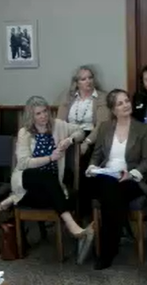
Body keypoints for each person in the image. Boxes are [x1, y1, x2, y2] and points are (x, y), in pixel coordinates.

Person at [0, 96, 94, 262]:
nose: (43, 116)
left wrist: (69, 140)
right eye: (38, 114)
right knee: (47, 177)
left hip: (48, 186)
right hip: (27, 177)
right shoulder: (25, 133)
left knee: (50, 187)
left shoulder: (58, 125)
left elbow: (81, 131)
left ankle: (14, 199)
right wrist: (50, 158)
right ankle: (74, 227)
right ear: (31, 116)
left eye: (45, 111)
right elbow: (23, 163)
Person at [85, 89, 147, 270]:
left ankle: (106, 250)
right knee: (109, 187)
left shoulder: (142, 128)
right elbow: (97, 155)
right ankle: (110, 245)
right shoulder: (105, 127)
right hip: (108, 175)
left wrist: (132, 174)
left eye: (127, 101)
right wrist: (92, 167)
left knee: (111, 192)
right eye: (120, 103)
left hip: (131, 179)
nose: (126, 105)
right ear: (113, 110)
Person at [56, 65, 111, 219]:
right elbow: (59, 122)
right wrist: (61, 141)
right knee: (60, 166)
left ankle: (84, 213)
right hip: (69, 136)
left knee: (83, 166)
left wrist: (87, 141)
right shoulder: (68, 97)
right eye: (83, 79)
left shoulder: (101, 97)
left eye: (90, 77)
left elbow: (101, 125)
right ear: (77, 82)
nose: (88, 81)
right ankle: (66, 208)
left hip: (92, 136)